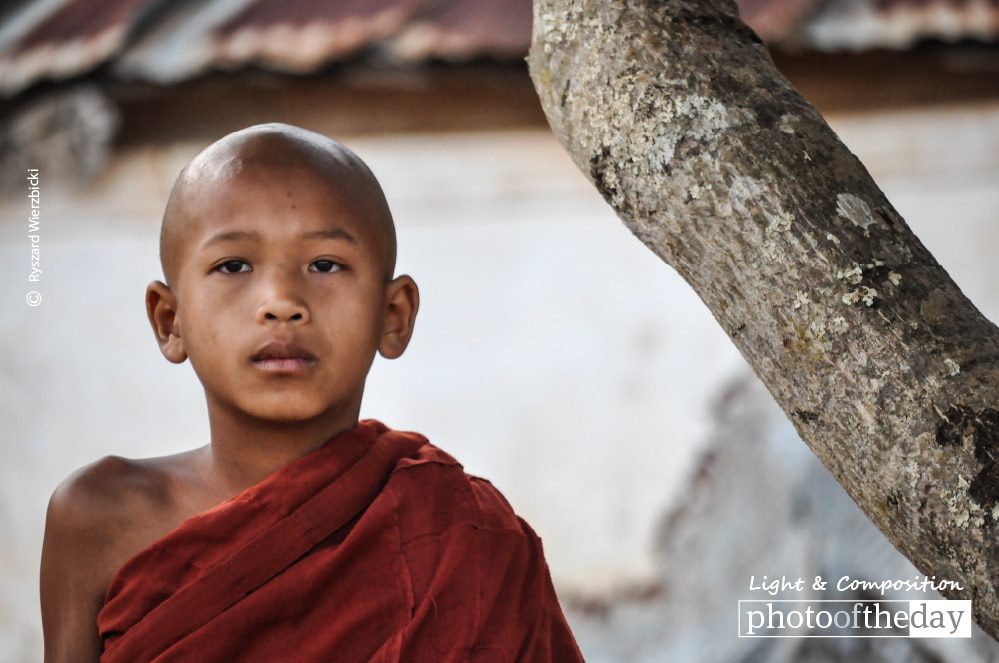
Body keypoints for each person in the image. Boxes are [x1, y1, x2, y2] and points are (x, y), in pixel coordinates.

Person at [39, 123, 583, 662]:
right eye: (234, 265)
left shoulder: (465, 535)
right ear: (169, 320)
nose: (281, 301)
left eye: (325, 265)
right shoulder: (100, 519)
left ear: (393, 316)